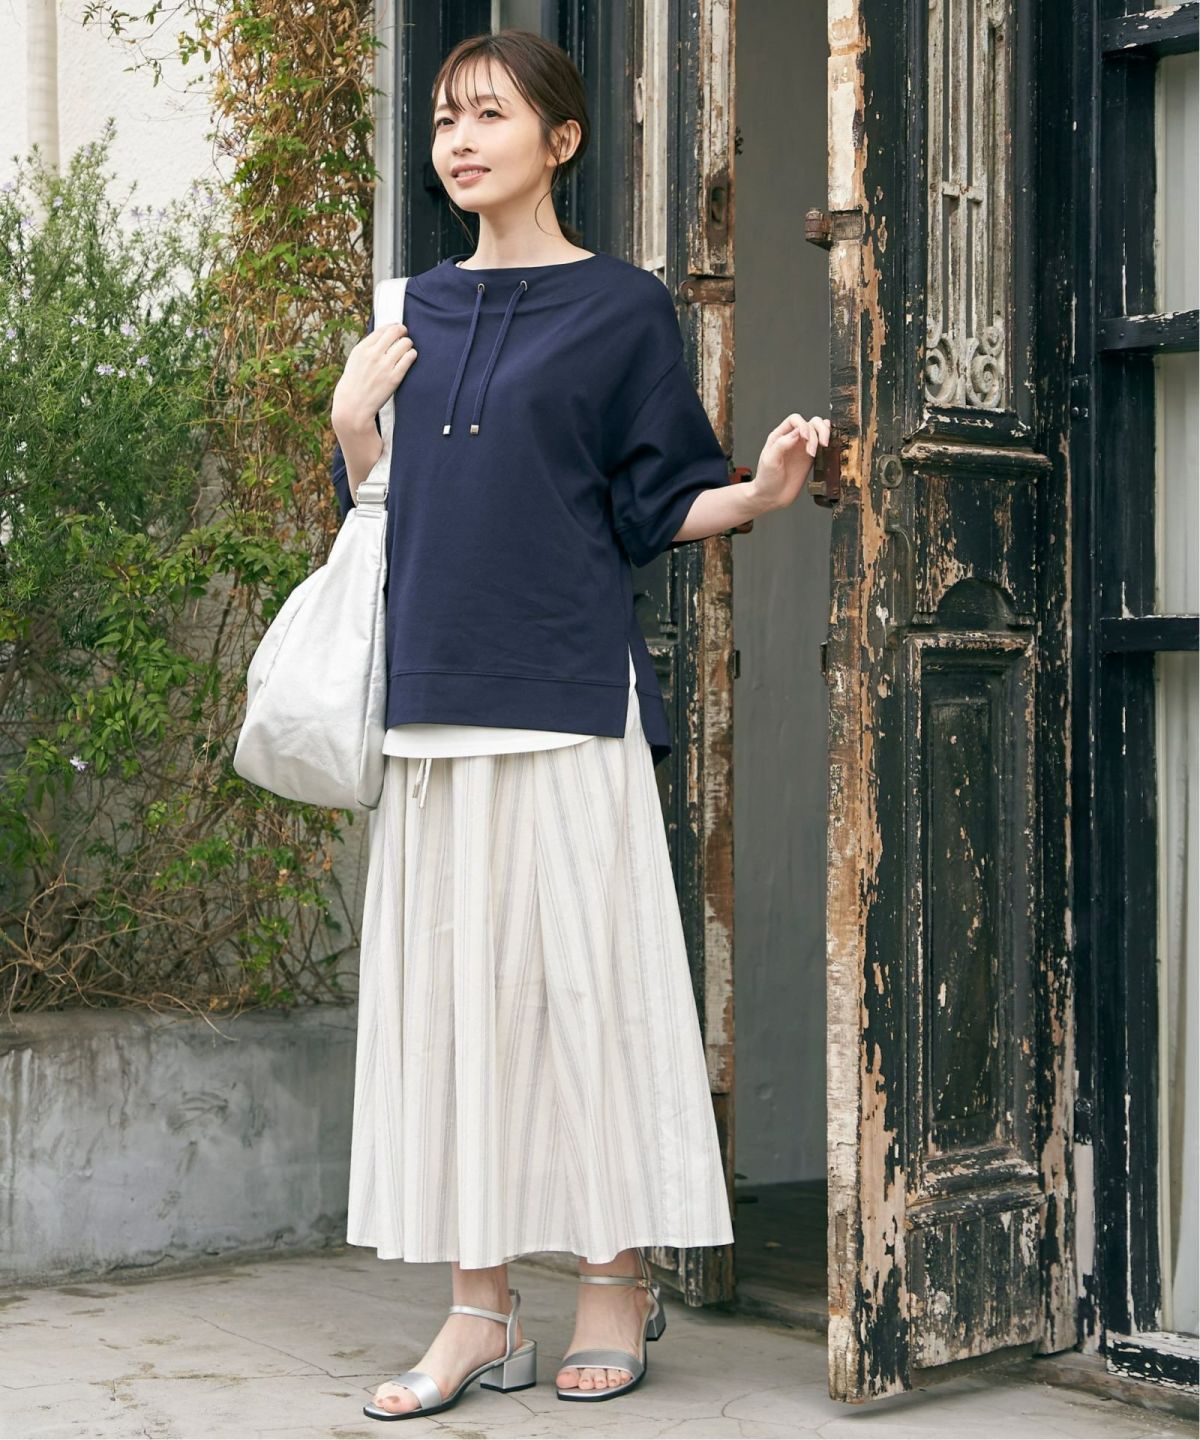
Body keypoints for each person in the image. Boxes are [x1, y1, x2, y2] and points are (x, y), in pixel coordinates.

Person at [328, 26, 830, 1423]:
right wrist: (354, 427)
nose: (459, 139)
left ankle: (614, 1279)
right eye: (445, 118)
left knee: (586, 1000)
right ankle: (479, 1309)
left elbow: (654, 498)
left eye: (490, 115)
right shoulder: (408, 308)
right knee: (457, 1013)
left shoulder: (622, 309)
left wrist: (762, 492)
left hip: (565, 693)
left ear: (562, 141)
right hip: (432, 704)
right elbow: (381, 521)